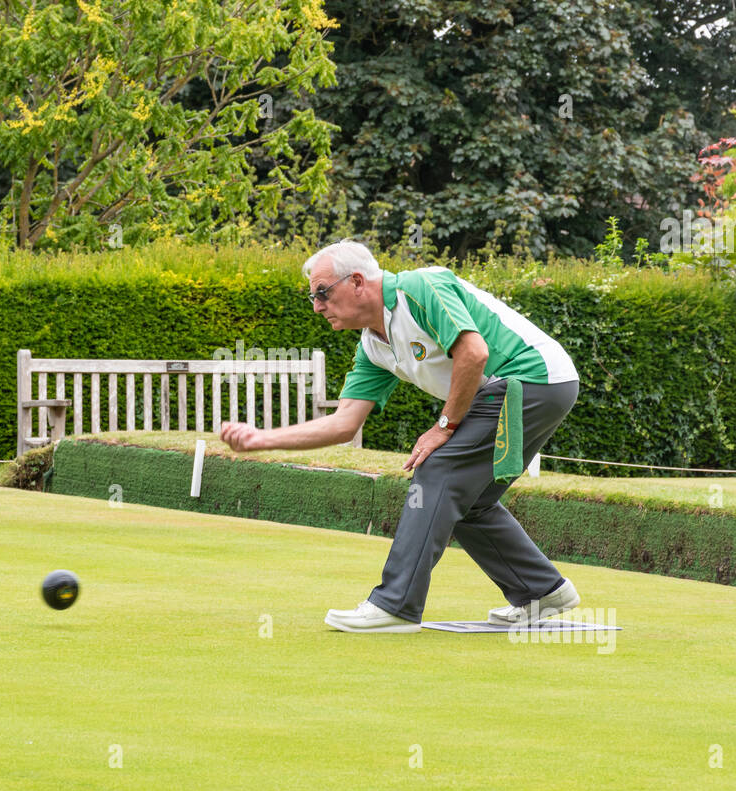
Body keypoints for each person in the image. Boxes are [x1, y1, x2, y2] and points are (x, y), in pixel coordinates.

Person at [219, 239, 583, 633]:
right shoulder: (373, 346)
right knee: (468, 501)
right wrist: (262, 439)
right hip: (535, 387)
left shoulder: (420, 287)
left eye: (322, 293)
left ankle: (395, 605)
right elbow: (344, 424)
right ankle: (542, 592)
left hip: (531, 377)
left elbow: (474, 353)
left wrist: (443, 428)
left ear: (357, 281)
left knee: (437, 472)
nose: (317, 306)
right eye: (312, 297)